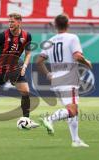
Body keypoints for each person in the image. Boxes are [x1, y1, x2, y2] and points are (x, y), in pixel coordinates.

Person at [36, 14, 92, 147]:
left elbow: (39, 61)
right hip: (69, 78)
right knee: (72, 110)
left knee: (73, 110)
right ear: (68, 24)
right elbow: (77, 56)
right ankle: (49, 119)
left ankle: (76, 140)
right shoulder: (72, 38)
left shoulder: (50, 41)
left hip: (56, 79)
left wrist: (48, 74)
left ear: (55, 25)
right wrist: (87, 62)